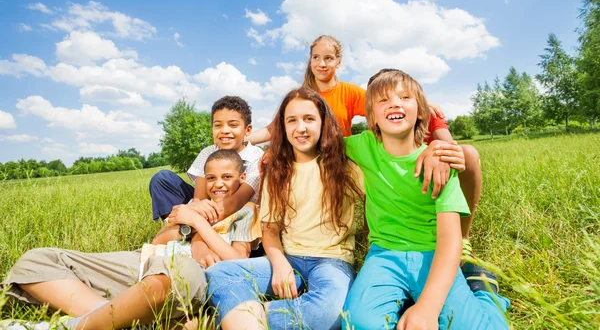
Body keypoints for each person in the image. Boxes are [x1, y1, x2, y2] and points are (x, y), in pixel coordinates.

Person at [248, 34, 480, 245]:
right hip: (325, 154)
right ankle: (263, 234)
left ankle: (454, 237)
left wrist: (426, 115)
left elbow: (386, 106)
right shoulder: (303, 96)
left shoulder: (351, 92)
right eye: (316, 57)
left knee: (375, 174)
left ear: (338, 62)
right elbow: (275, 129)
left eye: (328, 58)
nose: (321, 63)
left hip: (347, 156)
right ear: (310, 60)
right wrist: (247, 139)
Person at [1, 150, 260, 330]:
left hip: (181, 274)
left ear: (242, 178)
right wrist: (187, 221)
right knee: (36, 260)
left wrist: (199, 224)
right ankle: (119, 317)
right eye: (212, 178)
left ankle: (80, 325)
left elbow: (237, 259)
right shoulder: (193, 204)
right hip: (144, 261)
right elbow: (158, 239)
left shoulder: (246, 211)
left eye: (227, 177)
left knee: (172, 272)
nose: (219, 184)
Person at [343, 70, 510, 329]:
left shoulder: (440, 162)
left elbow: (450, 239)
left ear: (421, 111)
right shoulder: (361, 146)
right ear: (371, 117)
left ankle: (486, 295)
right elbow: (316, 140)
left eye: (404, 97)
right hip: (383, 254)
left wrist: (429, 308)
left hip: (434, 253)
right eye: (383, 100)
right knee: (358, 323)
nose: (394, 103)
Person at [205, 88, 364, 330]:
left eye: (309, 119)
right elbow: (270, 231)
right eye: (292, 120)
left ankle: (236, 318)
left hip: (332, 261)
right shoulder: (278, 171)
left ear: (324, 122)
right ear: (283, 127)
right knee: (220, 273)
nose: (300, 127)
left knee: (329, 313)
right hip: (288, 257)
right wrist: (280, 265)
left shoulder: (347, 166)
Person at [149, 96, 264, 225]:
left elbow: (235, 202)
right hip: (209, 205)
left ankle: (183, 226)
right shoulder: (208, 152)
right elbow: (200, 198)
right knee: (162, 179)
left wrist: (191, 215)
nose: (225, 131)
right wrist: (194, 207)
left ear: (247, 130)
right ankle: (177, 226)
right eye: (218, 125)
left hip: (242, 213)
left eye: (233, 125)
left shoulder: (257, 157)